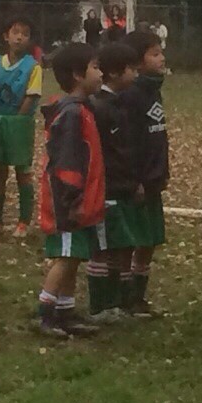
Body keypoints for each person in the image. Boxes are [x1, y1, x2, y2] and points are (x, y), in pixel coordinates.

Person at [37, 43, 105, 339]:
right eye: (95, 67)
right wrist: (72, 198)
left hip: (81, 202)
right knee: (64, 257)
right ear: (78, 75)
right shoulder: (72, 115)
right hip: (67, 203)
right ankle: (45, 313)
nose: (100, 73)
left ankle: (66, 312)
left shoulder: (84, 111)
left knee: (75, 256)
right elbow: (67, 161)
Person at [85, 41, 140, 322]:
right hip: (106, 192)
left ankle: (117, 301)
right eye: (131, 69)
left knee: (120, 245)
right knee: (103, 248)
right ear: (116, 73)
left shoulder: (123, 104)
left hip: (123, 188)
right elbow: (105, 154)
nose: (136, 74)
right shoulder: (101, 108)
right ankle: (99, 306)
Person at [122, 28, 172, 317]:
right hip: (136, 184)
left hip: (154, 180)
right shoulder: (131, 95)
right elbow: (129, 142)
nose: (161, 58)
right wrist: (135, 179)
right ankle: (125, 296)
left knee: (150, 240)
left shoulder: (154, 89)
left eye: (161, 52)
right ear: (137, 62)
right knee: (133, 239)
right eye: (154, 54)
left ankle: (139, 296)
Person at [0, 17, 43, 237]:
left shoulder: (32, 67)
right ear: (6, 36)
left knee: (23, 172)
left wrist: (16, 120)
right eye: (15, 32)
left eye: (25, 34)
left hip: (20, 124)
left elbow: (31, 96)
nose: (19, 37)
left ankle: (24, 221)